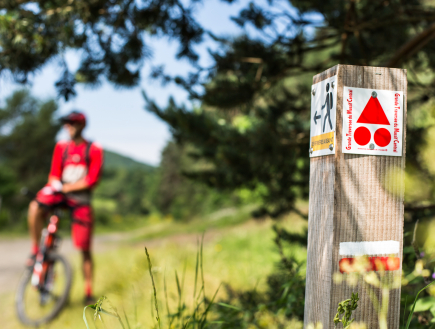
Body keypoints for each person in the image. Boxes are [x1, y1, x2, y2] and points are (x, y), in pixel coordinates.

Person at [27, 110, 103, 304]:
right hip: (59, 194)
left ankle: (88, 291)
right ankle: (36, 251)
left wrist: (67, 186)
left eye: (72, 123)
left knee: (84, 247)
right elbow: (53, 174)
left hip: (80, 200)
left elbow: (92, 180)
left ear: (82, 125)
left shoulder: (93, 149)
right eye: (66, 123)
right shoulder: (62, 147)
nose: (68, 126)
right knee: (35, 206)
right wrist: (55, 186)